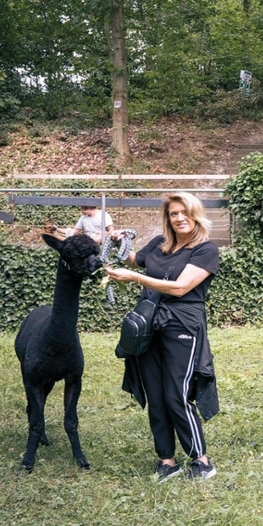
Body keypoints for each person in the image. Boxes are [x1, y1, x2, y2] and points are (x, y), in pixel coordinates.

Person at [105, 192, 220, 481]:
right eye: (173, 214)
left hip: (182, 326)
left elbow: (181, 288)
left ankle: (201, 460)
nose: (179, 218)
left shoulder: (205, 250)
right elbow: (134, 260)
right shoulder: (159, 245)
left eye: (185, 212)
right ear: (167, 219)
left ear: (195, 215)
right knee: (154, 394)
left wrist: (135, 279)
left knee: (176, 395)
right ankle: (167, 460)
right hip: (149, 325)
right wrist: (117, 240)